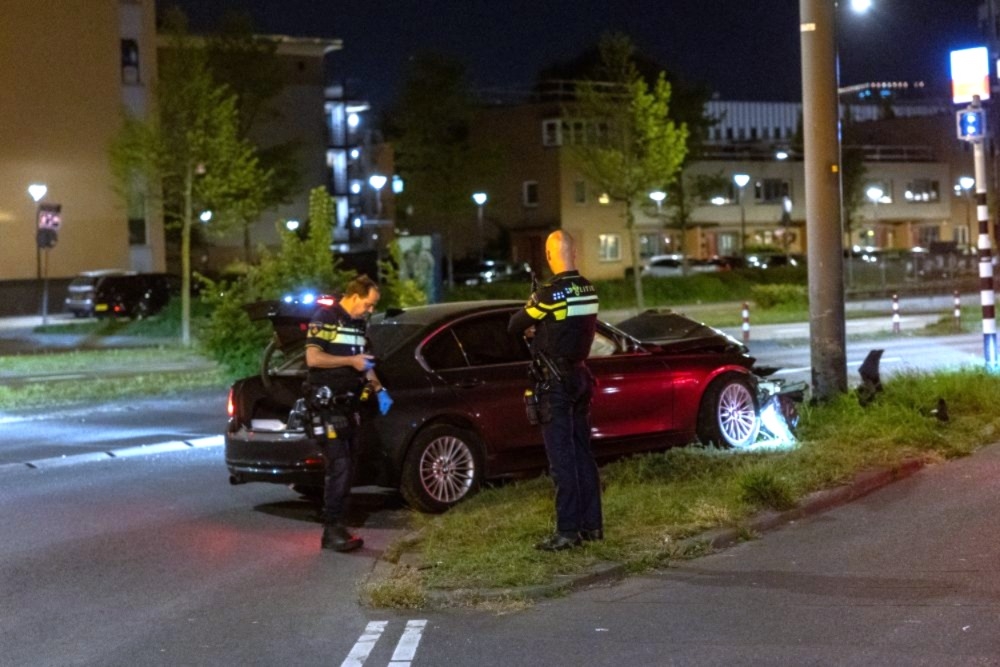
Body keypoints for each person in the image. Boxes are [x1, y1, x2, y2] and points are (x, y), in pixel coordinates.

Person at [508, 230, 602, 551]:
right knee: (583, 456)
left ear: (550, 256)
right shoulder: (588, 288)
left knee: (562, 461)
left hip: (555, 384)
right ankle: (592, 527)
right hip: (579, 377)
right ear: (574, 253)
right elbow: (567, 325)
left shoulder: (549, 293)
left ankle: (567, 532)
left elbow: (515, 325)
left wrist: (535, 321)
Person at [304, 274, 393, 552]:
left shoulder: (358, 324)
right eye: (368, 304)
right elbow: (313, 358)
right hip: (327, 406)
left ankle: (339, 524)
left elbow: (364, 362)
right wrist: (350, 361)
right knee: (339, 467)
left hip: (349, 405)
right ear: (354, 297)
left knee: (348, 467)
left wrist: (378, 389)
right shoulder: (326, 316)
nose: (370, 310)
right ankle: (331, 530)